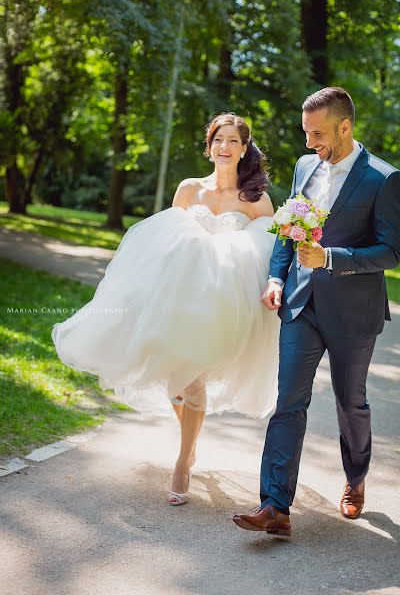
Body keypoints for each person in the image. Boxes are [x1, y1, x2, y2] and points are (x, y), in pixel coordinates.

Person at [52, 113, 280, 506]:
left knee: (193, 382)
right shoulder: (189, 190)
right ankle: (189, 444)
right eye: (218, 140)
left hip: (222, 307)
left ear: (245, 149)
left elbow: (272, 253)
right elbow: (167, 243)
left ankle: (183, 462)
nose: (224, 147)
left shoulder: (256, 199)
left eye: (233, 141)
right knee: (176, 379)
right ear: (209, 147)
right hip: (178, 300)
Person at [233, 87, 400, 537]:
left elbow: (392, 251)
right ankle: (275, 506)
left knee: (351, 403)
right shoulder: (305, 167)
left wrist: (331, 258)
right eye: (306, 133)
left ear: (345, 127)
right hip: (300, 305)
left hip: (353, 312)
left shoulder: (383, 179)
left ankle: (356, 477)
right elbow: (289, 231)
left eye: (318, 133)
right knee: (288, 402)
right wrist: (275, 277)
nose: (309, 143)